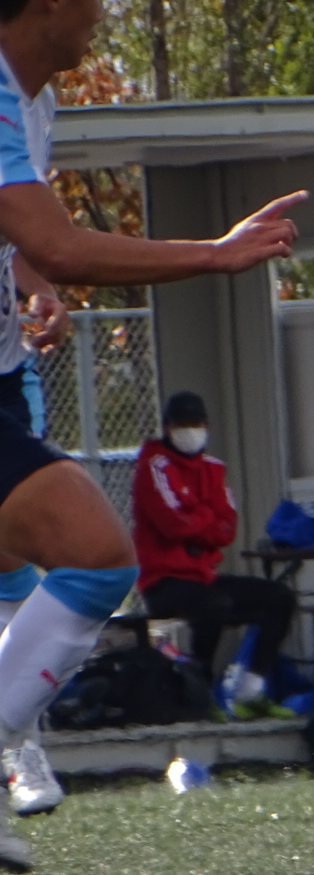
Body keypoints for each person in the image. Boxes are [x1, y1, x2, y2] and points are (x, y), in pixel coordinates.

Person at [0, 0, 303, 872]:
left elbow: (27, 240)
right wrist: (213, 254)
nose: (103, 10)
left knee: (51, 566)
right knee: (94, 556)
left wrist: (31, 287)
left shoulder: (33, 98)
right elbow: (56, 236)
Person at [132, 391, 297, 714]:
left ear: (207, 426)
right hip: (163, 582)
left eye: (196, 424)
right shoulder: (154, 466)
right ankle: (201, 692)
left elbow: (228, 528)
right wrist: (207, 517)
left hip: (203, 577)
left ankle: (250, 691)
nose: (190, 431)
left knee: (279, 598)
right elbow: (172, 525)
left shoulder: (213, 469)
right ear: (167, 428)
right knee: (212, 605)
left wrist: (196, 518)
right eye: (182, 424)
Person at [0, 264, 71, 819]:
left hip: (4, 382)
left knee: (10, 548)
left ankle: (22, 746)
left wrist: (44, 292)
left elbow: (34, 241)